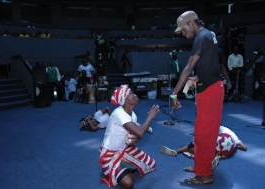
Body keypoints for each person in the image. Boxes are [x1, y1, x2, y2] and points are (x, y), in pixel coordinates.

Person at [170, 11, 224, 185]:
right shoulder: (209, 35)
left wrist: (174, 94)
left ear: (191, 23)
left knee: (205, 134)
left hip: (210, 92)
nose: (184, 34)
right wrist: (199, 78)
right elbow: (210, 63)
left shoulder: (201, 38)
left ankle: (205, 174)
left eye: (184, 30)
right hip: (207, 88)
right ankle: (200, 166)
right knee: (200, 133)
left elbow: (187, 68)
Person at [99, 85, 159, 188]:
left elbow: (137, 135)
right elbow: (140, 132)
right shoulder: (119, 113)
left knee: (151, 164)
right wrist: (150, 117)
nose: (135, 95)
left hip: (124, 148)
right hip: (109, 153)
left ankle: (122, 162)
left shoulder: (133, 115)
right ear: (125, 99)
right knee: (129, 183)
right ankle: (111, 166)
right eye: (132, 94)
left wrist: (135, 139)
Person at [161, 125, 247, 171]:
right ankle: (213, 158)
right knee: (214, 148)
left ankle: (176, 151)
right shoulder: (235, 138)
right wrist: (236, 146)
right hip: (228, 148)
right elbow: (244, 147)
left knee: (197, 145)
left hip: (220, 141)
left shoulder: (220, 128)